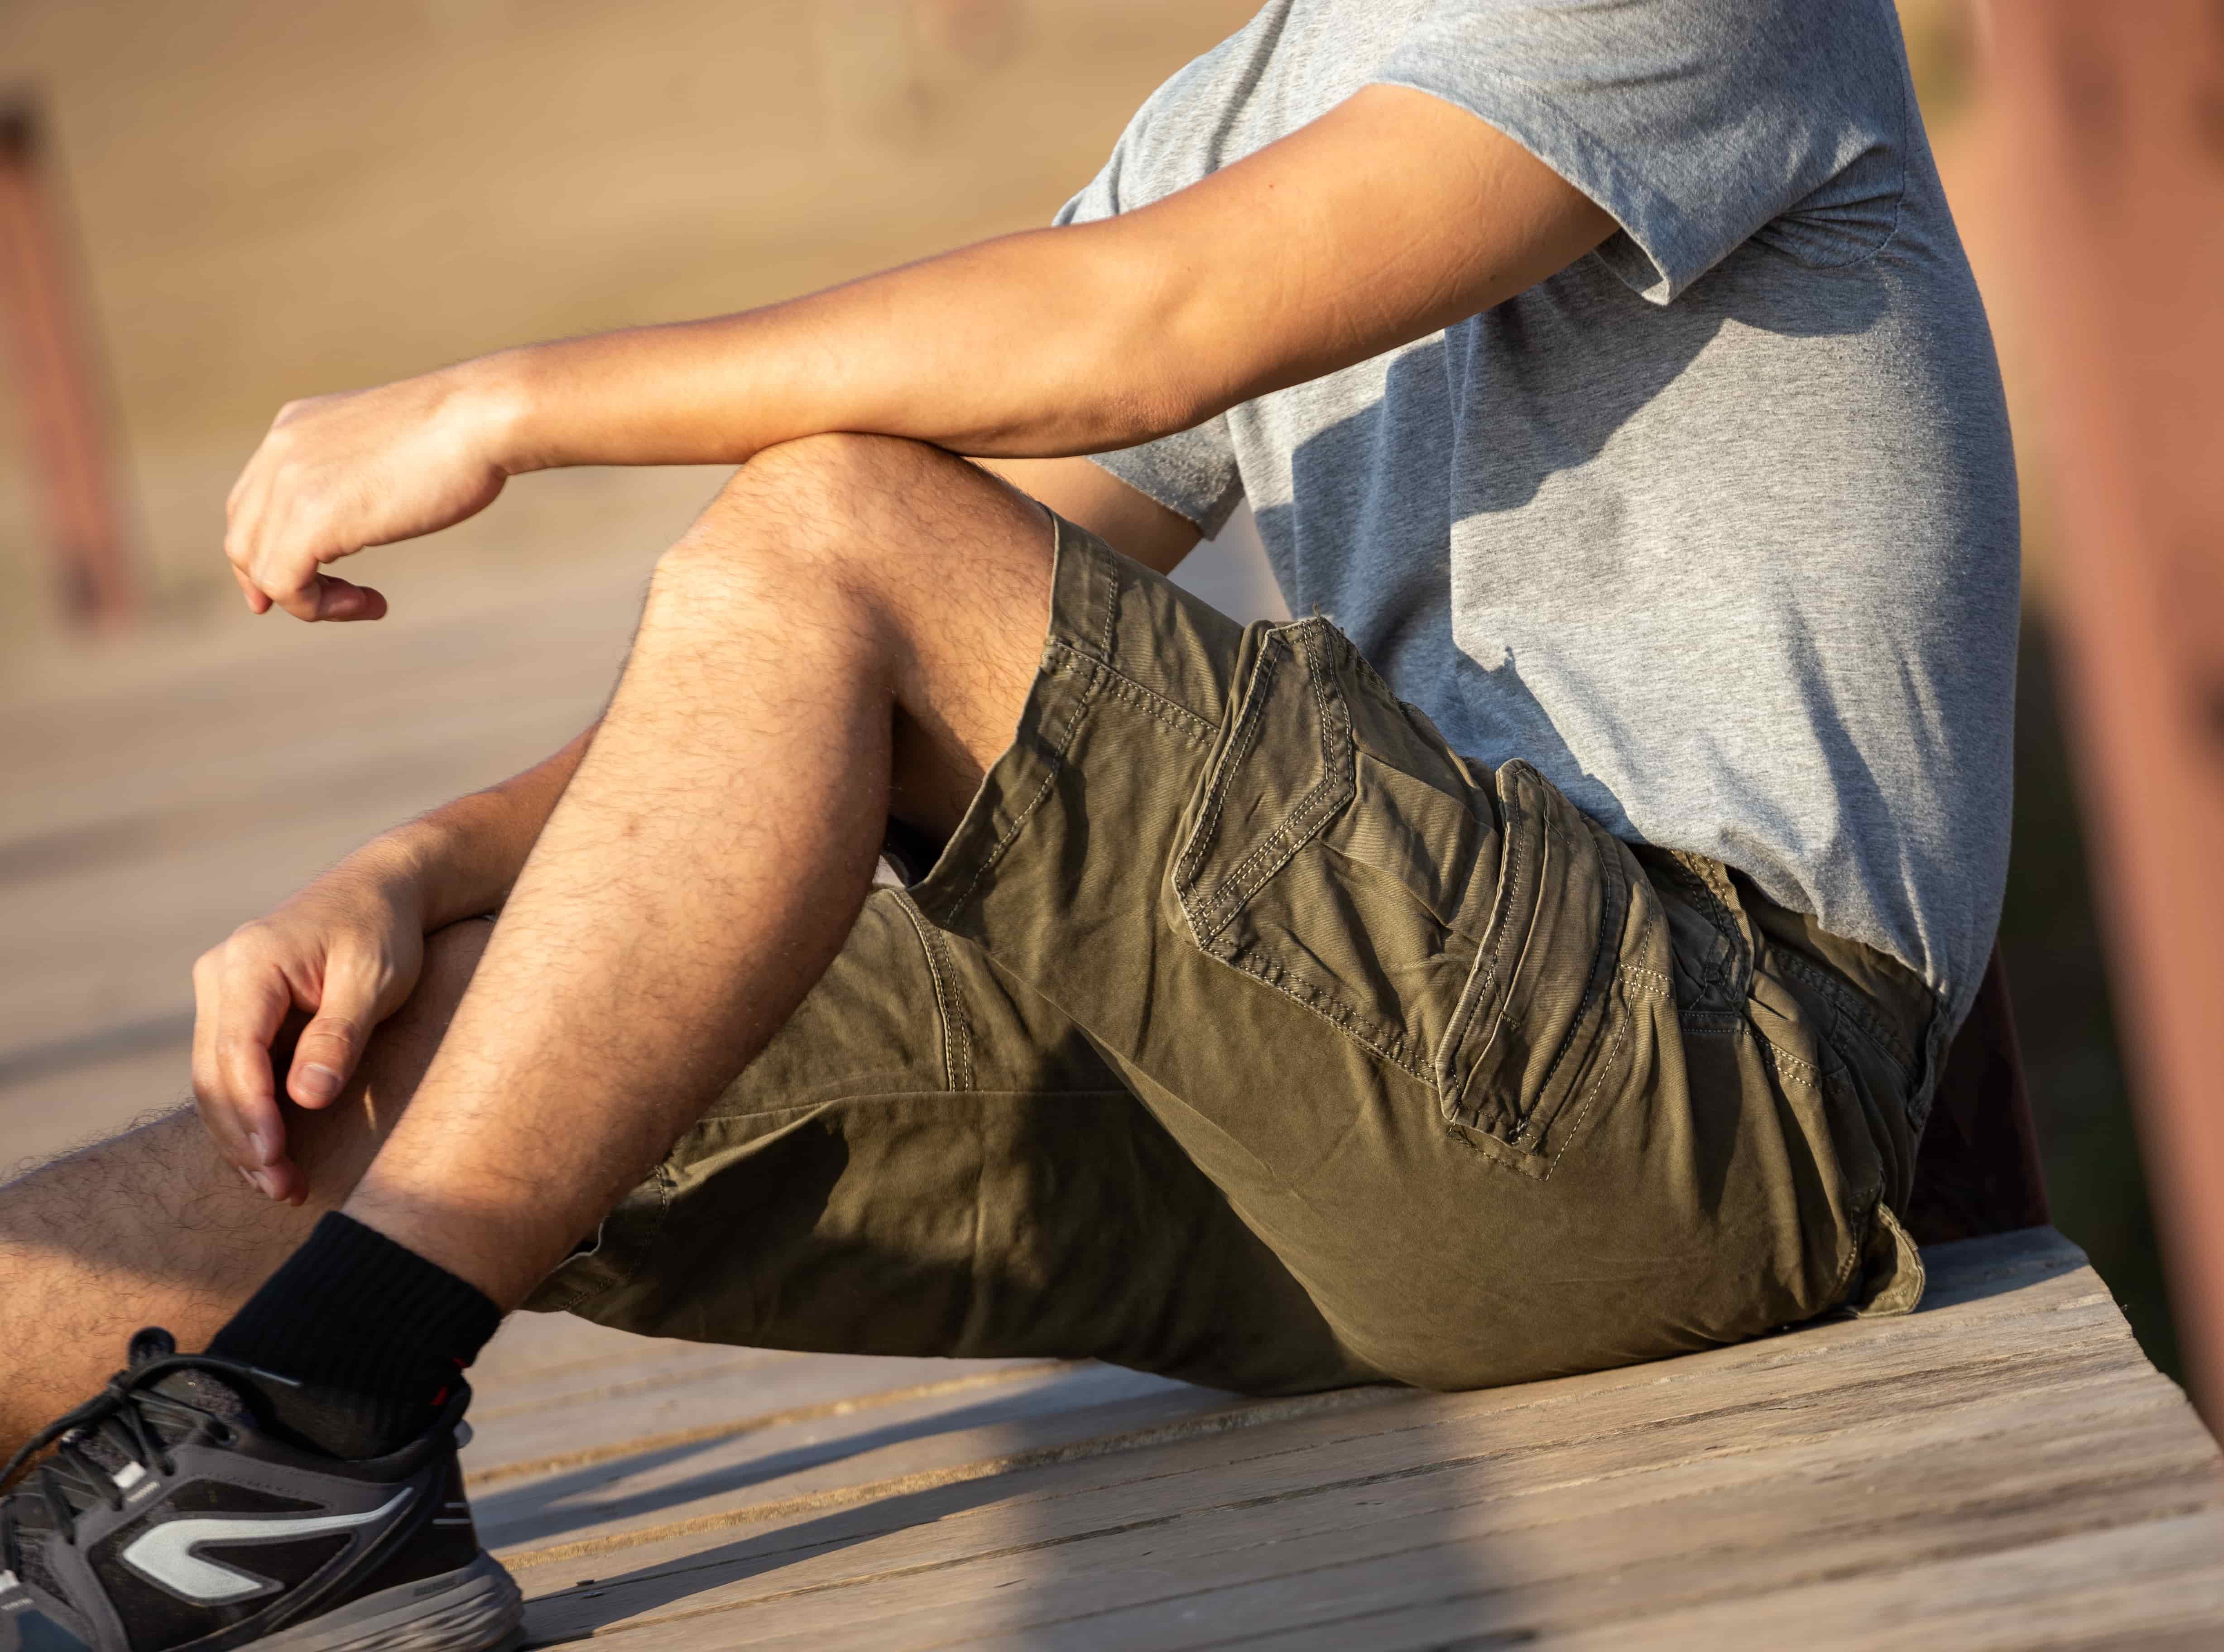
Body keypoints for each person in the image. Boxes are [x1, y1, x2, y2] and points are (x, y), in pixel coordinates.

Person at [0, 2, 2017, 1647]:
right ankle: (190, 1441)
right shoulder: (1261, 94)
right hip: (1379, 1111)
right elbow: (922, 607)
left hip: (1706, 1085)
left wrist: (503, 400)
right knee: (492, 1030)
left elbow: (1136, 342)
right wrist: (432, 867)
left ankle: (314, 1438)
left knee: (839, 524)